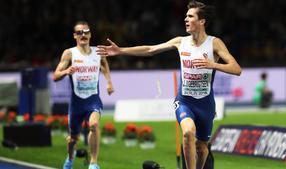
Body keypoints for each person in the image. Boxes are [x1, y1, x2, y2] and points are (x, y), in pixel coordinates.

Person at [98, 1, 241, 169]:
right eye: (186, 16)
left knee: (202, 148)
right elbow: (150, 49)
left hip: (206, 103)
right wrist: (121, 50)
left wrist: (213, 65)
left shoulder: (214, 43)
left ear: (202, 21)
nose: (185, 19)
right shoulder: (181, 42)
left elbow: (236, 69)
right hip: (185, 101)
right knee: (188, 132)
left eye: (190, 16)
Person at [53, 21, 114, 169]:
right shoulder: (69, 53)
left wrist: (109, 82)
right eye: (79, 32)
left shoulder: (98, 52)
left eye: (86, 32)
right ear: (75, 36)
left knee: (94, 125)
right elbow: (55, 76)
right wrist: (66, 72)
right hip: (76, 103)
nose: (83, 35)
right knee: (73, 139)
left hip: (93, 99)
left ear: (90, 34)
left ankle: (93, 163)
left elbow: (104, 65)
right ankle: (70, 157)